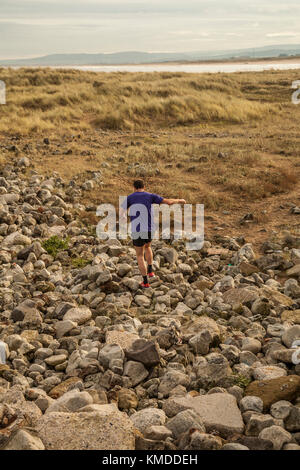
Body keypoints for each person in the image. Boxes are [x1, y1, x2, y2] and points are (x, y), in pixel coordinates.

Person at [120, 180, 186, 288]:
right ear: (144, 187)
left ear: (134, 187)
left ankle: (145, 282)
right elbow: (168, 202)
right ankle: (150, 271)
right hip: (150, 228)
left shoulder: (130, 197)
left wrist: (123, 217)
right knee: (148, 247)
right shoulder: (150, 196)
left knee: (140, 255)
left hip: (137, 230)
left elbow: (121, 211)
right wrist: (179, 200)